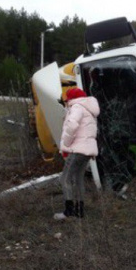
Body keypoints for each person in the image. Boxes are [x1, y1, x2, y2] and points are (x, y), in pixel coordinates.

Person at [54, 87, 100, 220]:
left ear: (71, 98)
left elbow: (72, 126)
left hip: (77, 149)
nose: (67, 102)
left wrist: (66, 145)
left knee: (65, 179)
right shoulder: (89, 109)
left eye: (67, 99)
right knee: (78, 178)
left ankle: (69, 212)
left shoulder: (77, 107)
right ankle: (80, 211)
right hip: (86, 150)